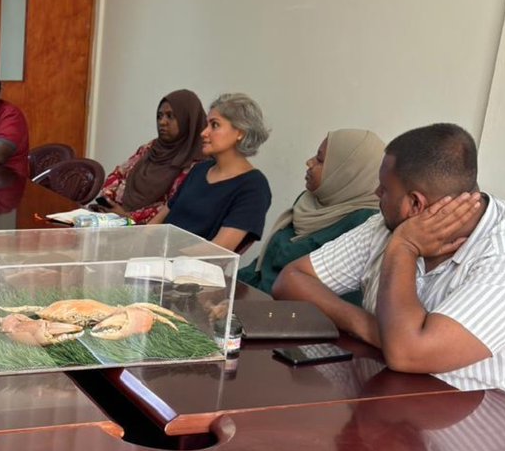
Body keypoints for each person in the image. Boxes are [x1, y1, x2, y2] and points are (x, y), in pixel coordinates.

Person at [273, 123, 505, 414]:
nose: (376, 194)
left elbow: (407, 354)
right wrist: (369, 326)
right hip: (399, 400)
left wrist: (403, 249)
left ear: (415, 204)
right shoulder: (387, 225)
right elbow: (291, 280)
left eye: (384, 189)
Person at [238, 129, 383, 299]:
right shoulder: (308, 201)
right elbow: (265, 264)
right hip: (254, 297)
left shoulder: (364, 223)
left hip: (289, 316)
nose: (309, 162)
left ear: (347, 172)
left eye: (320, 160)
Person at [149, 92, 272, 252]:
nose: (203, 133)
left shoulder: (254, 186)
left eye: (214, 125)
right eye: (207, 124)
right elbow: (158, 220)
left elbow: (219, 248)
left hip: (190, 271)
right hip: (156, 258)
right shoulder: (200, 170)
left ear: (240, 132)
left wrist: (166, 260)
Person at [96, 89, 206, 224]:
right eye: (159, 116)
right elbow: (119, 173)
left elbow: (172, 204)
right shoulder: (151, 148)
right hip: (113, 218)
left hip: (152, 231)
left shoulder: (196, 163)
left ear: (187, 120)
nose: (162, 122)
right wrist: (107, 200)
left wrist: (127, 217)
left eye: (170, 116)